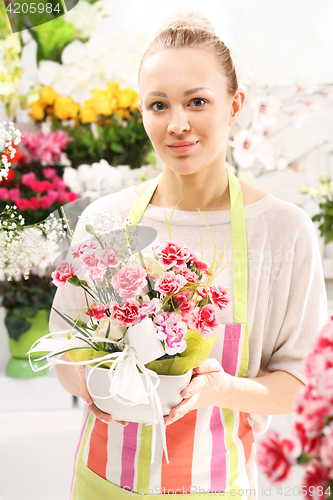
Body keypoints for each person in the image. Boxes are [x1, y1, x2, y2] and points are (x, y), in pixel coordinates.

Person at [49, 10, 327, 500]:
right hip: (102, 482)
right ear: (141, 112)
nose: (178, 124)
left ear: (235, 104)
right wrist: (93, 385)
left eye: (197, 101)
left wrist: (222, 390)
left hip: (216, 486)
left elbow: (302, 381)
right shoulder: (108, 220)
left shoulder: (283, 232)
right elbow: (65, 347)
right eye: (158, 105)